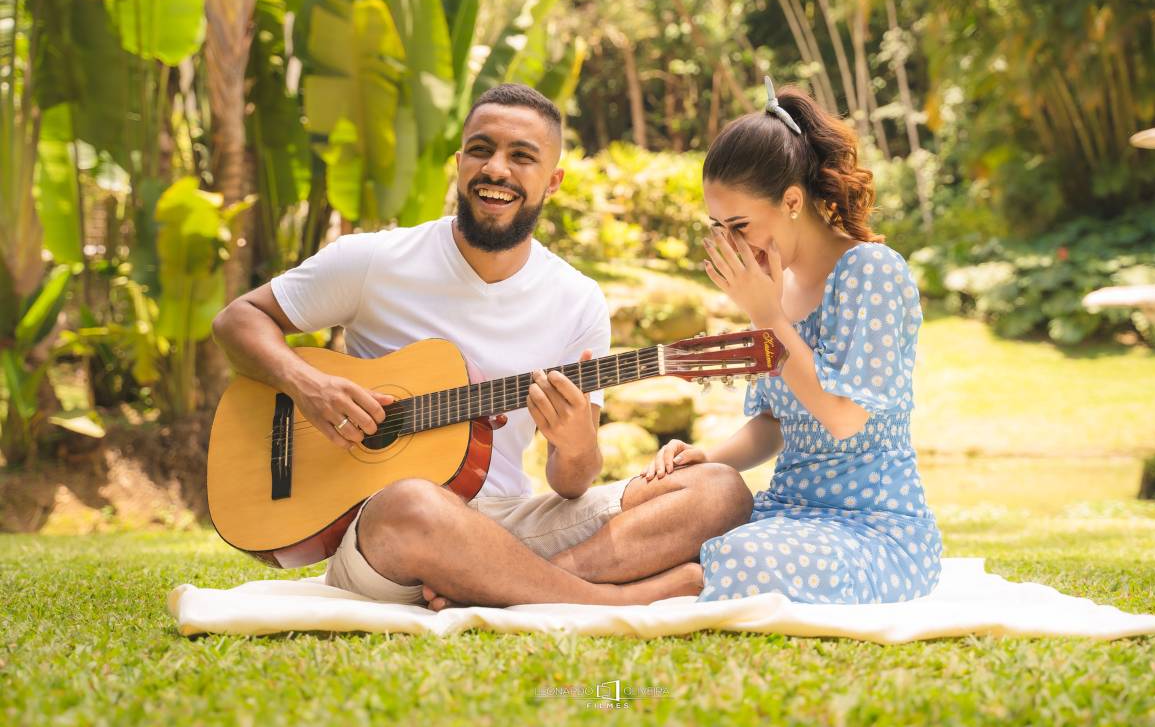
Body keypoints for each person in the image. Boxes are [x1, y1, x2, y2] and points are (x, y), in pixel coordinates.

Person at [212, 84, 752, 610]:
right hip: (390, 534)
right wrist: (308, 385)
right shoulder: (374, 260)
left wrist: (576, 441)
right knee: (412, 500)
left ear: (553, 180)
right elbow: (238, 320)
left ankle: (515, 584)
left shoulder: (576, 299)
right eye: (481, 150)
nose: (497, 168)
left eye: (522, 156)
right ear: (459, 163)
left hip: (512, 522)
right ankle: (606, 598)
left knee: (718, 490)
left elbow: (570, 484)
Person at [642, 78, 942, 604]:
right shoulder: (777, 286)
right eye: (718, 226)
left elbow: (843, 418)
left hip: (872, 530)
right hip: (786, 511)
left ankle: (599, 595)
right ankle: (606, 579)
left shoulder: (870, 271)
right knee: (668, 514)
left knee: (743, 556)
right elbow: (773, 426)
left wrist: (766, 315)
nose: (730, 243)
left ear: (793, 200)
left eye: (739, 224)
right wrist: (706, 456)